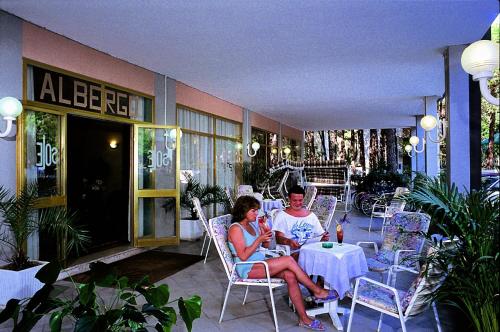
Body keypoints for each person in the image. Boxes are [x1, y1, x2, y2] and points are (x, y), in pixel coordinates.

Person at [228, 196, 337, 331]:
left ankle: (304, 318)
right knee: (289, 259)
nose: (257, 214)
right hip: (247, 267)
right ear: (243, 211)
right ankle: (317, 290)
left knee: (290, 275)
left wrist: (265, 234)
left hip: (259, 262)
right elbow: (243, 256)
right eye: (253, 211)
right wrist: (259, 239)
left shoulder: (251, 225)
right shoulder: (235, 229)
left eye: (257, 210)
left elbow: (265, 247)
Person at [273, 185, 330, 258]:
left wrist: (324, 237)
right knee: (310, 257)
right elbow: (278, 238)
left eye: (300, 200)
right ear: (289, 199)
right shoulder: (282, 216)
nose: (297, 203)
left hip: (311, 250)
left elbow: (321, 235)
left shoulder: (311, 215)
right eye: (294, 200)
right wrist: (289, 241)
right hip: (291, 252)